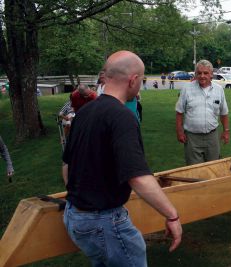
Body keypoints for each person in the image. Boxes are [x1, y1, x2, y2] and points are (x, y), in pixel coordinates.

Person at [62, 50, 182, 267]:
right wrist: (172, 215)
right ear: (133, 80)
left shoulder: (84, 113)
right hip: (103, 221)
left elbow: (66, 166)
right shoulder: (122, 117)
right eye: (141, 80)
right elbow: (137, 177)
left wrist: (80, 199)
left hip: (74, 216)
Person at [175, 59, 229, 165]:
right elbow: (179, 112)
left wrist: (226, 131)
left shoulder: (219, 89)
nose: (202, 76)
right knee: (194, 170)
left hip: (212, 137)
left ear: (211, 75)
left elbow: (224, 112)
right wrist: (179, 131)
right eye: (199, 73)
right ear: (195, 74)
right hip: (192, 138)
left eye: (205, 73)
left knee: (214, 168)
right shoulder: (187, 89)